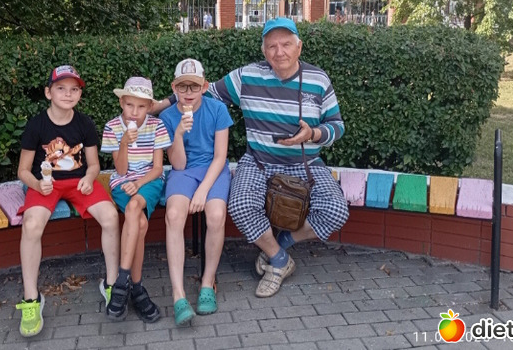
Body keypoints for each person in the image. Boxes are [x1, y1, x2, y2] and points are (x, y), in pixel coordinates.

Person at [154, 18, 349, 298]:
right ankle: (279, 260)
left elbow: (337, 126)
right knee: (240, 205)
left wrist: (314, 134)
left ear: (299, 47)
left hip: (305, 163)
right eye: (272, 46)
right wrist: (159, 105)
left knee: (336, 211)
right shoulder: (246, 77)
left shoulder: (318, 80)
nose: (279, 52)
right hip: (259, 161)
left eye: (286, 44)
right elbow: (199, 91)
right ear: (263, 50)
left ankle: (280, 244)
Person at [16, 65, 119, 337]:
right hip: (45, 184)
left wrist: (90, 177)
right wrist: (37, 184)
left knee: (111, 216)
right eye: (61, 88)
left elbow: (94, 165)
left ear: (80, 95)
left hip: (78, 182)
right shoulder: (36, 125)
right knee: (31, 225)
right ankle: (31, 298)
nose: (68, 94)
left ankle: (112, 284)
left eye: (74, 89)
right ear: (48, 92)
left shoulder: (84, 124)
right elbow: (23, 171)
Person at [158, 58, 233, 326]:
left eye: (194, 86)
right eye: (183, 86)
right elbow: (178, 165)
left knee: (215, 215)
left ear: (204, 86)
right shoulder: (167, 117)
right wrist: (178, 134)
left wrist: (202, 191)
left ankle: (207, 283)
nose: (188, 92)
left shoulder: (217, 109)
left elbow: (220, 157)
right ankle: (178, 294)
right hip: (184, 171)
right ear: (174, 87)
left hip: (213, 170)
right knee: (174, 215)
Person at [101, 77, 171, 322]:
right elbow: (121, 171)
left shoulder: (156, 126)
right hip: (122, 182)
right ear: (122, 102)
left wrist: (139, 184)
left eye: (141, 107)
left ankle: (121, 282)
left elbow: (157, 168)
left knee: (134, 207)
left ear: (150, 107)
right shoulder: (112, 127)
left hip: (149, 181)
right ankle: (137, 287)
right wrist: (123, 143)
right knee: (139, 223)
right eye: (130, 105)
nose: (134, 112)